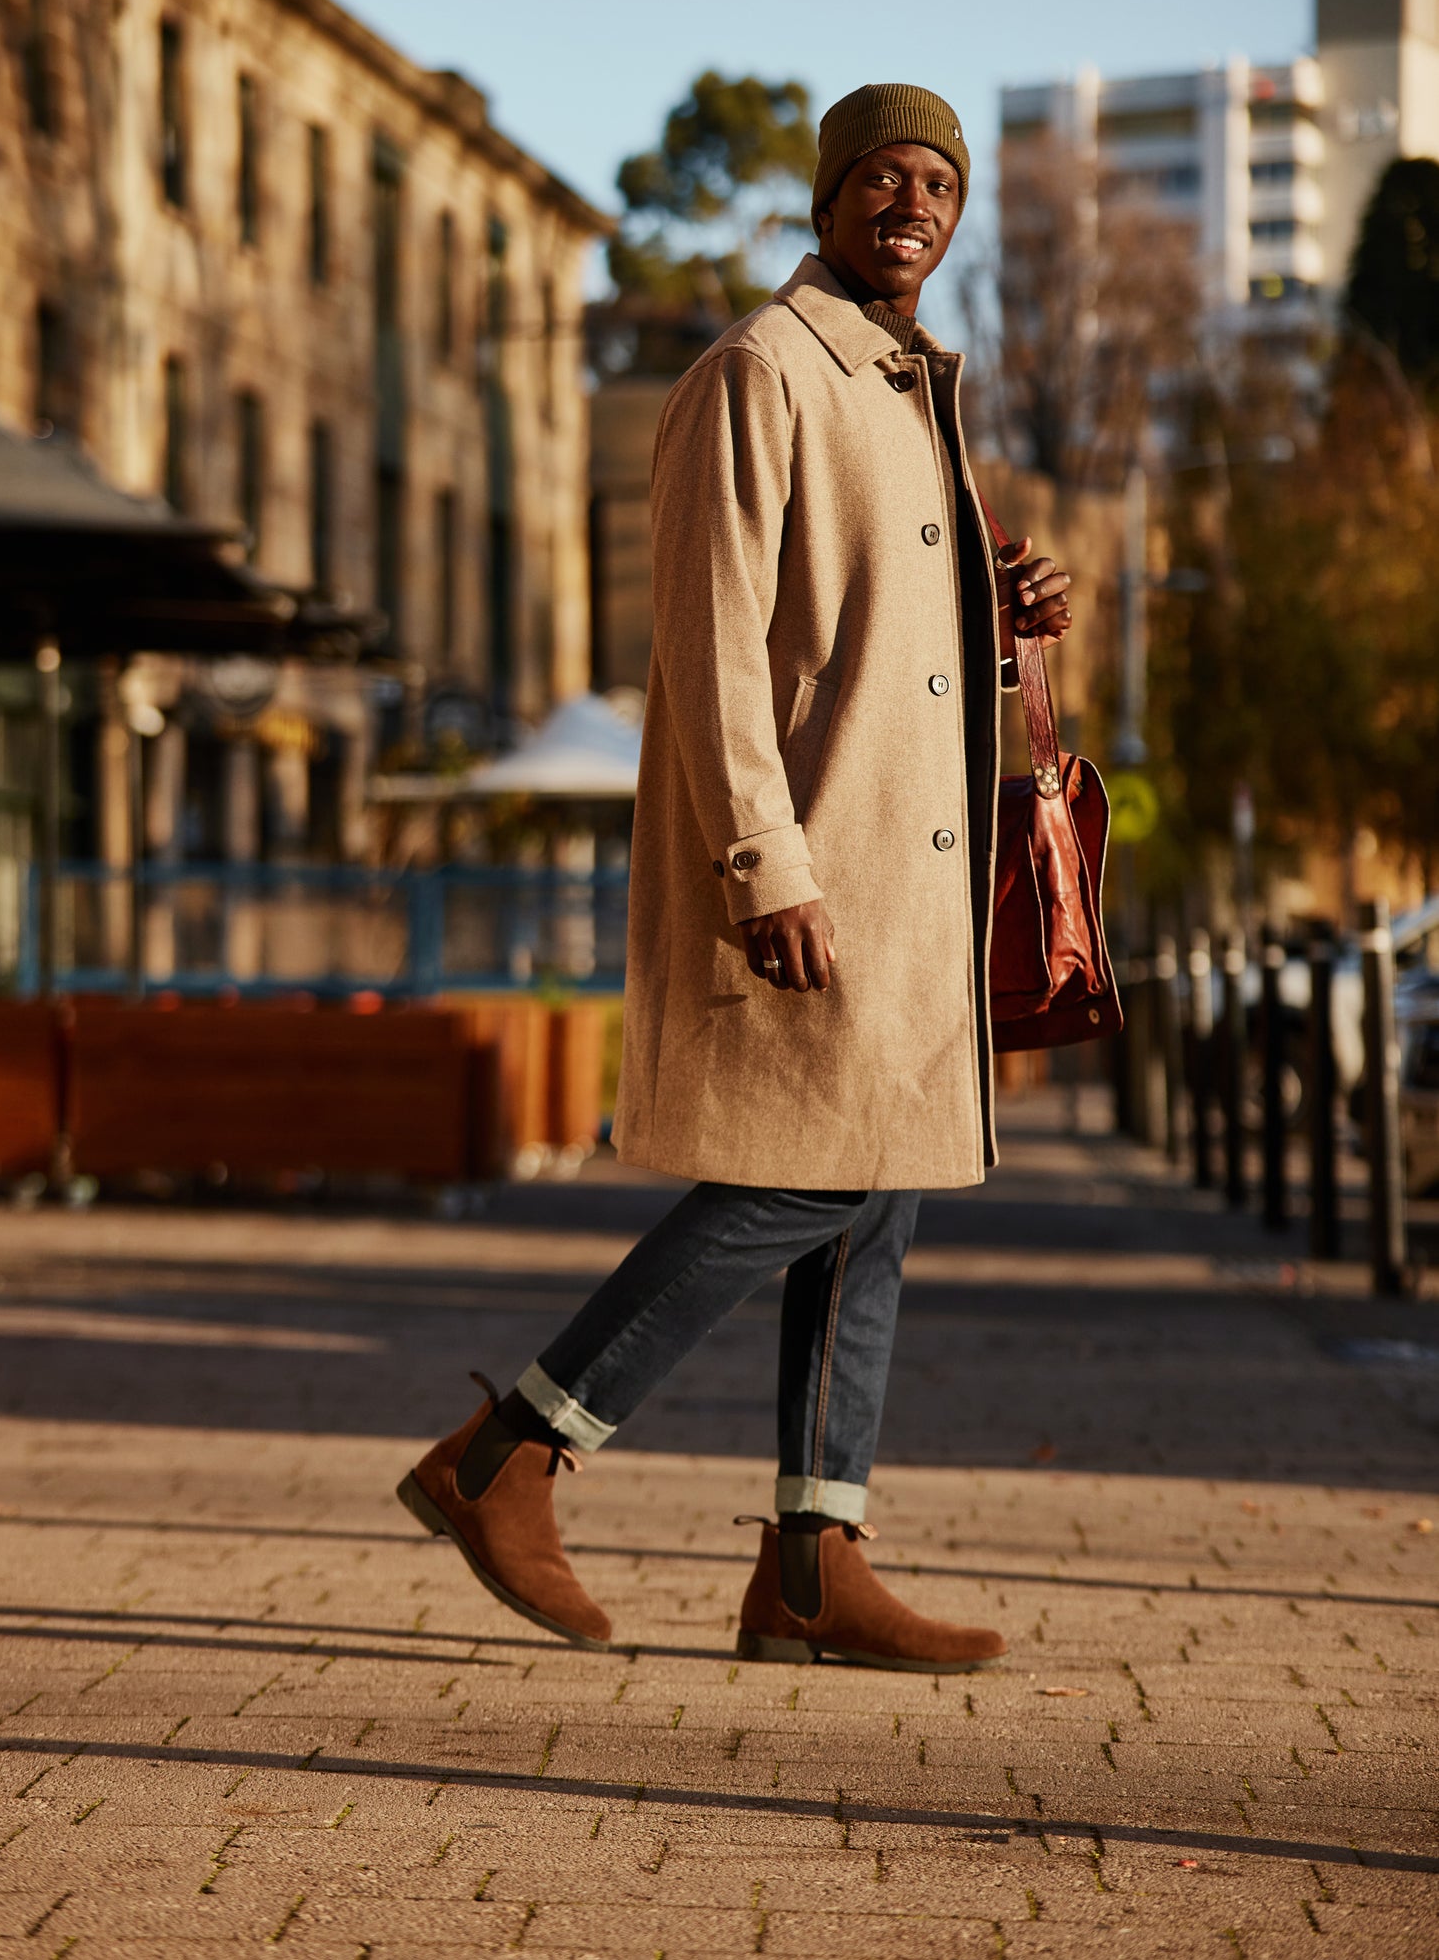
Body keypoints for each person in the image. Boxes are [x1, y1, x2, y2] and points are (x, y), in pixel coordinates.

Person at [398, 84, 1073, 1671]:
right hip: (815, 862)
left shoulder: (910, 390)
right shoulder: (758, 371)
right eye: (879, 178)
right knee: (806, 1176)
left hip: (912, 875)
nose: (910, 205)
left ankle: (811, 1561)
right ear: (825, 202)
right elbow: (707, 641)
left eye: (937, 185)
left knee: (878, 1188)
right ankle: (511, 1451)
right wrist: (763, 861)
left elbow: (884, 643)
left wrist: (1006, 611)